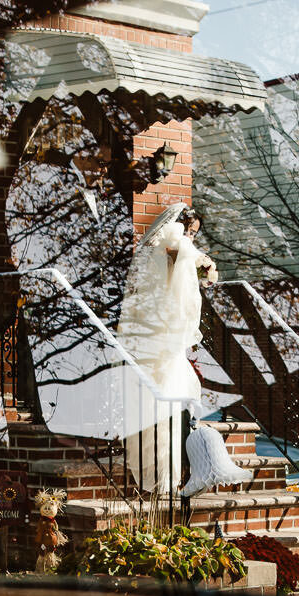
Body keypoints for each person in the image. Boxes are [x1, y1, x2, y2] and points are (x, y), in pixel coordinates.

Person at [118, 202, 216, 493]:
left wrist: (200, 266)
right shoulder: (173, 238)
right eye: (191, 231)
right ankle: (166, 476)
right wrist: (202, 264)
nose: (191, 237)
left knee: (166, 400)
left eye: (194, 233)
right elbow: (180, 271)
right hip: (165, 334)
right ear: (181, 225)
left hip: (157, 332)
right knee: (166, 398)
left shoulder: (165, 244)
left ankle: (169, 474)